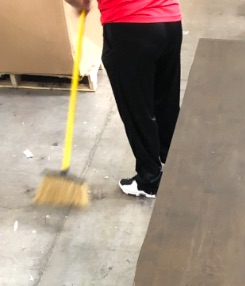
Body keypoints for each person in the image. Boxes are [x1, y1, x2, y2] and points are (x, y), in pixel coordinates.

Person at [65, 0, 183, 198]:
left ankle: (149, 179)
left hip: (129, 27)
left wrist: (81, 4)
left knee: (136, 108)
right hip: (170, 21)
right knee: (166, 103)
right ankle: (176, 162)